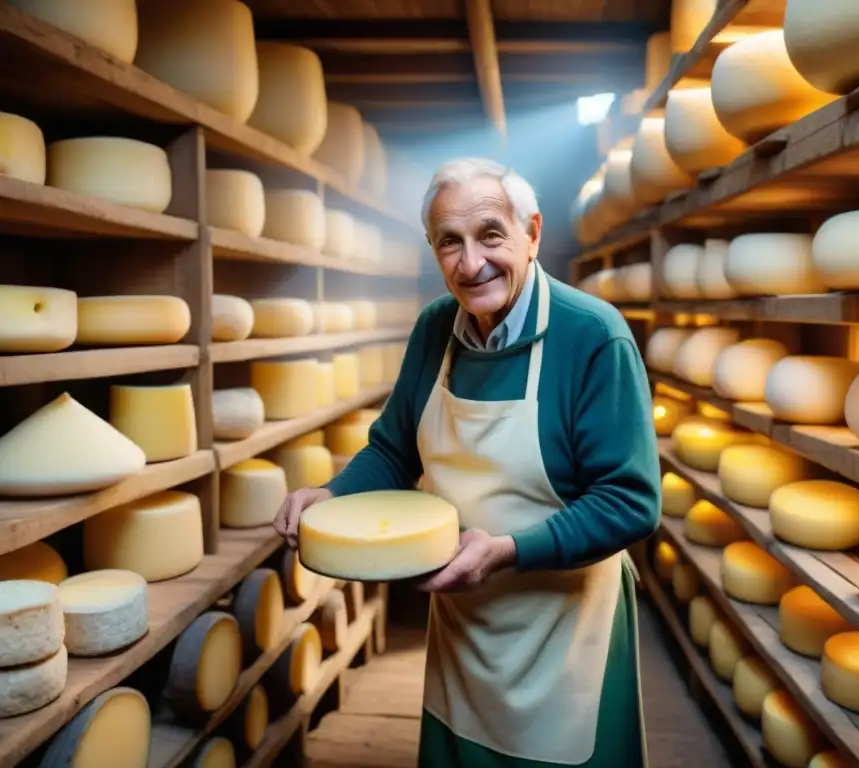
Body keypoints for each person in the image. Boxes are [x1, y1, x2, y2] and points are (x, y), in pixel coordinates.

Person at [273, 157, 661, 767]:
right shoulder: (435, 329)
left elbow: (630, 502)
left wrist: (507, 551)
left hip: (564, 635)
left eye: (490, 235)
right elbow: (394, 448)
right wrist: (333, 497)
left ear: (532, 234)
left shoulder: (592, 336)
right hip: (464, 623)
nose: (470, 263)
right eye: (449, 243)